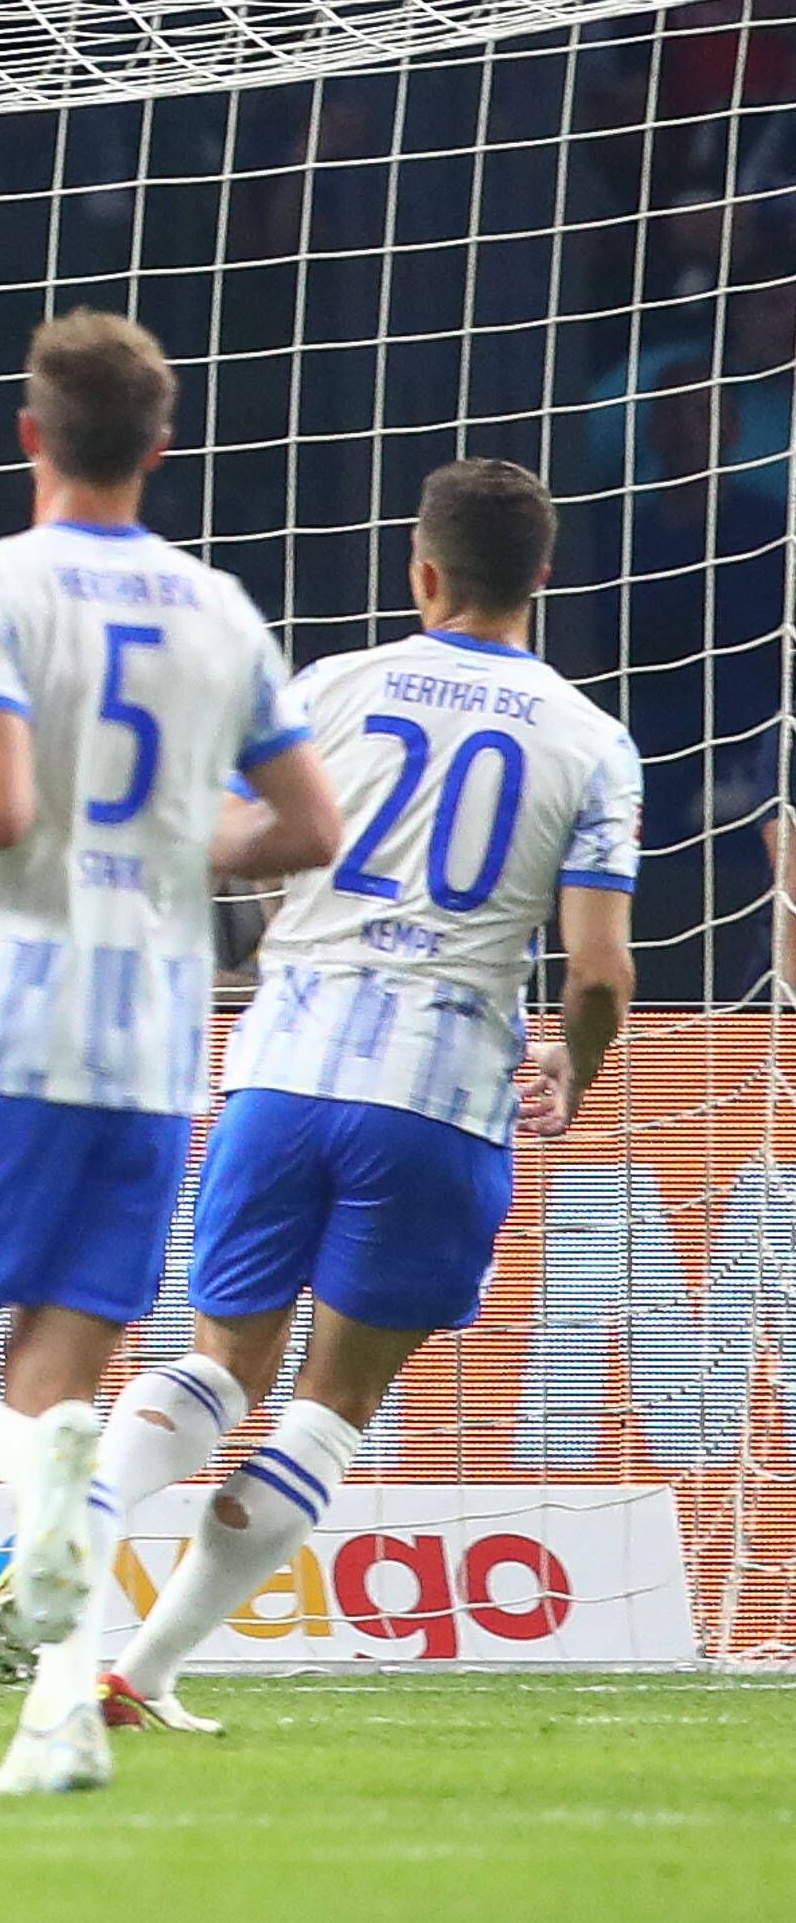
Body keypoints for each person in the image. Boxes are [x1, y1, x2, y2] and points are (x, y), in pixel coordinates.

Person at [0, 310, 341, 1797]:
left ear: (31, 434)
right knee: (68, 1391)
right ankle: (57, 1723)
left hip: (0, 1025)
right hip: (155, 1046)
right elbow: (305, 828)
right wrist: (178, 846)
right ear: (158, 447)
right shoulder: (224, 609)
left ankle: (22, 1481)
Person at [71, 460, 638, 1736]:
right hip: (438, 1097)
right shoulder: (592, 741)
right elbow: (600, 969)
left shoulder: (327, 687)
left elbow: (223, 840)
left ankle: (76, 1529)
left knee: (220, 1361)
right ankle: (144, 1673)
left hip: (280, 1066)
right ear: (541, 576)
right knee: (333, 1400)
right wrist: (574, 1060)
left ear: (420, 570)